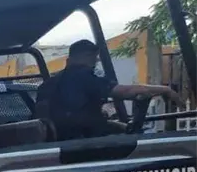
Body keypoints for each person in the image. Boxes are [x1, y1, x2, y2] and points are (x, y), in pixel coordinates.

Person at [36, 39, 183, 141]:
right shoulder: (83, 77)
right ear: (87, 56)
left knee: (125, 129)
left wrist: (122, 127)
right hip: (84, 143)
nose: (96, 63)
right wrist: (165, 90)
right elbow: (127, 92)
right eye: (95, 58)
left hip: (62, 142)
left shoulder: (51, 83)